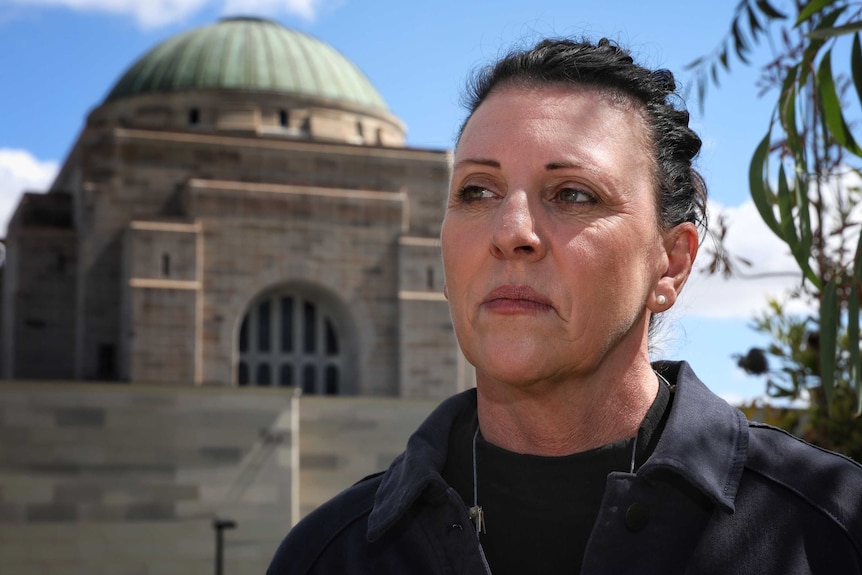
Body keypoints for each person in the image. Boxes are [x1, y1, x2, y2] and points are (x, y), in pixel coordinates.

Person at [267, 37, 862, 574]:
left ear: (671, 262)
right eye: (477, 190)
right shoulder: (324, 557)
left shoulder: (834, 530)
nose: (511, 231)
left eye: (573, 194)